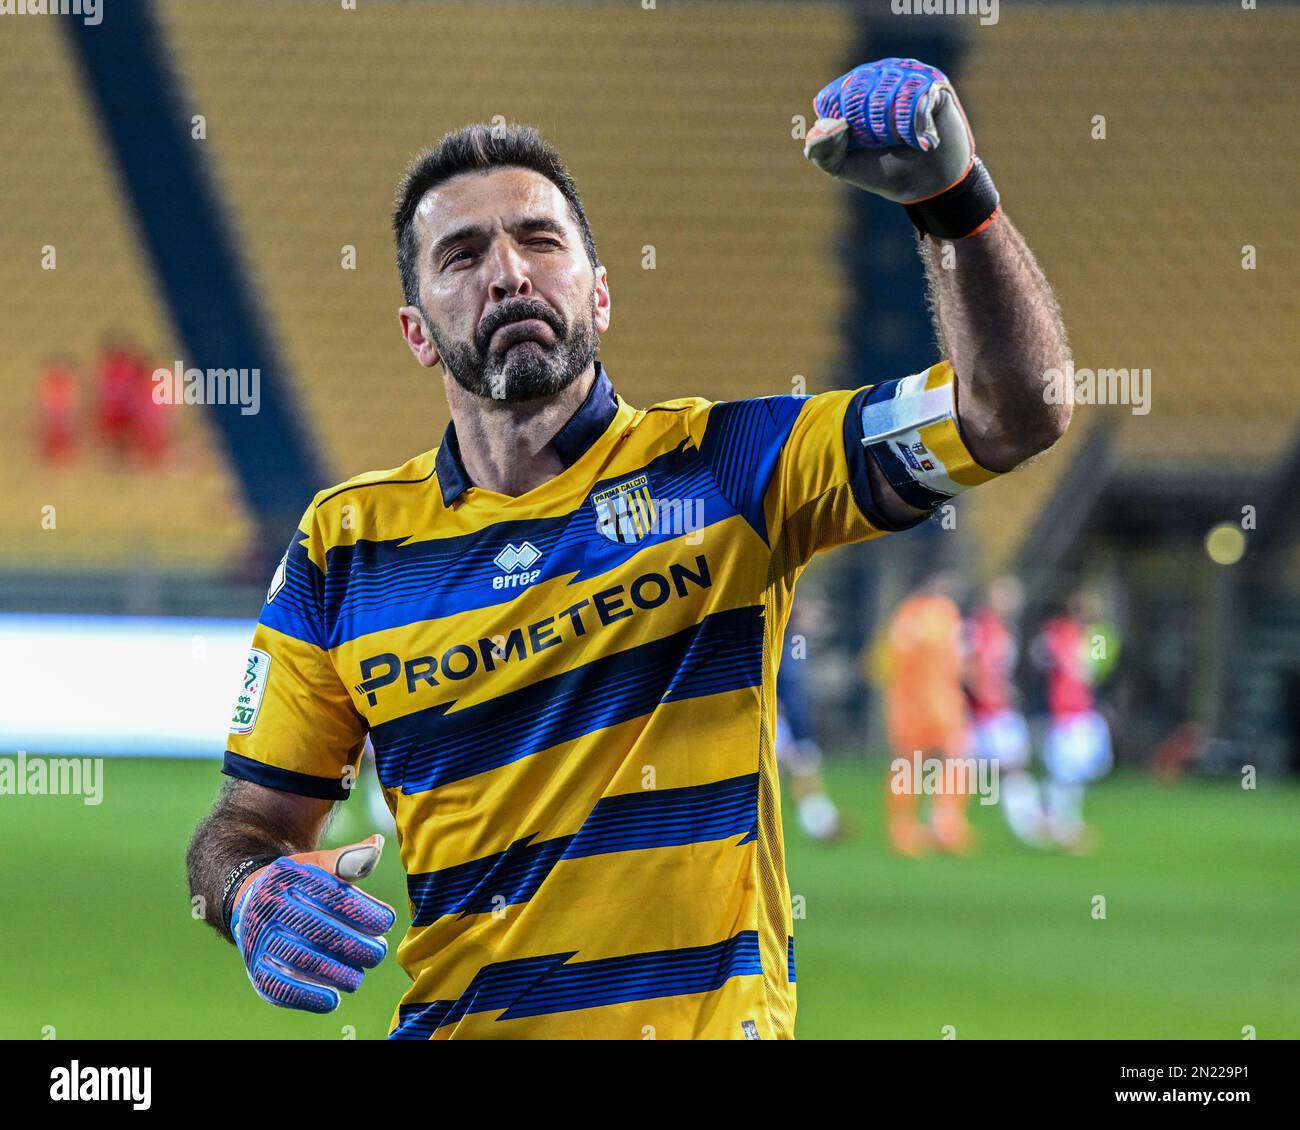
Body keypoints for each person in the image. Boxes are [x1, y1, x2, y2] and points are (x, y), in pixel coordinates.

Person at [187, 57, 1073, 1040]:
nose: (510, 271)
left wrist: (957, 205)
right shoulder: (343, 545)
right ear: (418, 332)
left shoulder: (736, 465)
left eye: (539, 240)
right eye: (462, 255)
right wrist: (247, 888)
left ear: (599, 295)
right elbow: (247, 820)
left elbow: (1015, 411)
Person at [882, 573, 972, 856]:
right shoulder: (941, 614)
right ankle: (937, 826)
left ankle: (918, 828)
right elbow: (959, 660)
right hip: (932, 701)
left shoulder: (910, 615)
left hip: (919, 702)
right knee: (939, 761)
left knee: (916, 764)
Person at [1031, 591, 1115, 853]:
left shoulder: (1097, 637)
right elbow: (1039, 656)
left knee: (1086, 769)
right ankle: (1066, 827)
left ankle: (1050, 817)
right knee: (1068, 774)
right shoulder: (1059, 632)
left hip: (1083, 713)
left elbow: (1095, 670)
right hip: (1065, 715)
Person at [966, 575, 1046, 846]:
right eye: (1007, 595)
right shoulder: (980, 629)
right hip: (986, 713)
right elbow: (970, 669)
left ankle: (1029, 824)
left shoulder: (1003, 629)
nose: (1014, 601)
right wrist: (987, 692)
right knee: (1001, 767)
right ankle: (1029, 824)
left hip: (995, 712)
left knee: (1010, 767)